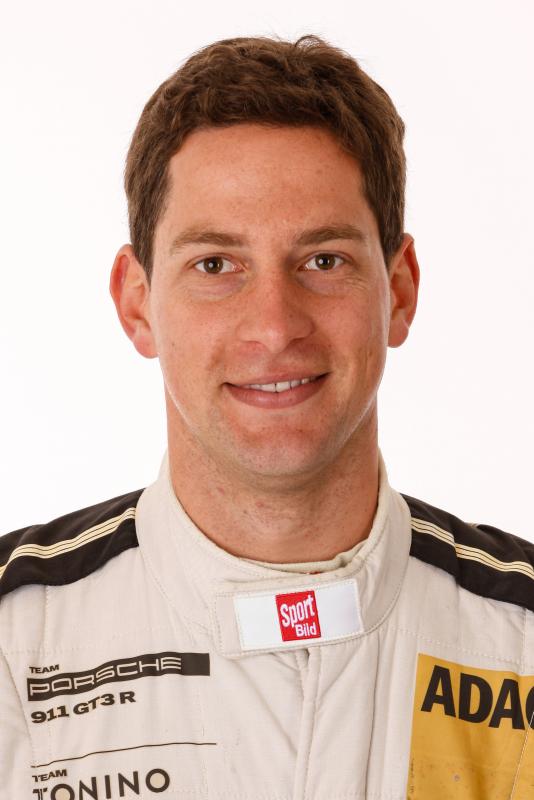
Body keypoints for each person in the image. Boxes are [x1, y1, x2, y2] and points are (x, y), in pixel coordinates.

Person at [1, 34, 533, 800]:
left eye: (324, 261)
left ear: (400, 290)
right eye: (216, 265)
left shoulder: (521, 640)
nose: (275, 327)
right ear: (137, 302)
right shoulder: (14, 644)